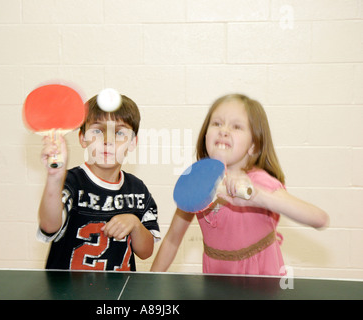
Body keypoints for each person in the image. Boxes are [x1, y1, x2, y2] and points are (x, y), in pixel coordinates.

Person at [151, 93, 328, 275]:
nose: (224, 130)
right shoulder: (197, 183)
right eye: (217, 123)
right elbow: (172, 240)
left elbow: (319, 219)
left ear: (254, 146)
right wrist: (150, 283)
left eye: (236, 126)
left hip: (261, 283)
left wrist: (259, 197)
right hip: (217, 282)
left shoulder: (261, 183)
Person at [37, 93, 160, 271]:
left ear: (133, 143)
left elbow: (146, 252)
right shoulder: (71, 182)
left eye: (119, 132)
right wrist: (55, 178)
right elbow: (49, 225)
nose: (108, 141)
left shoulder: (138, 189)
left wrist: (134, 223)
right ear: (82, 138)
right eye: (97, 131)